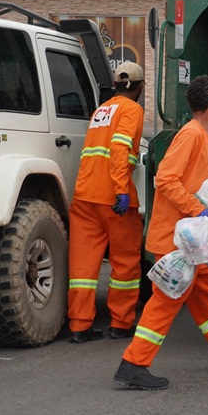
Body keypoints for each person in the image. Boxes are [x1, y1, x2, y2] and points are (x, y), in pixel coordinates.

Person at [114, 75, 208, 390]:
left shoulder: (206, 136)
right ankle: (133, 364)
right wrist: (199, 210)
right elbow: (165, 180)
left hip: (194, 238)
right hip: (176, 239)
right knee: (167, 300)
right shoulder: (191, 135)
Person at [67, 61, 146, 343]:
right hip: (114, 199)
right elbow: (119, 147)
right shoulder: (132, 109)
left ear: (115, 86)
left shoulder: (101, 109)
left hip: (85, 195)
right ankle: (121, 324)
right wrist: (122, 190)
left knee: (83, 267)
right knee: (124, 262)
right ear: (139, 87)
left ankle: (79, 326)